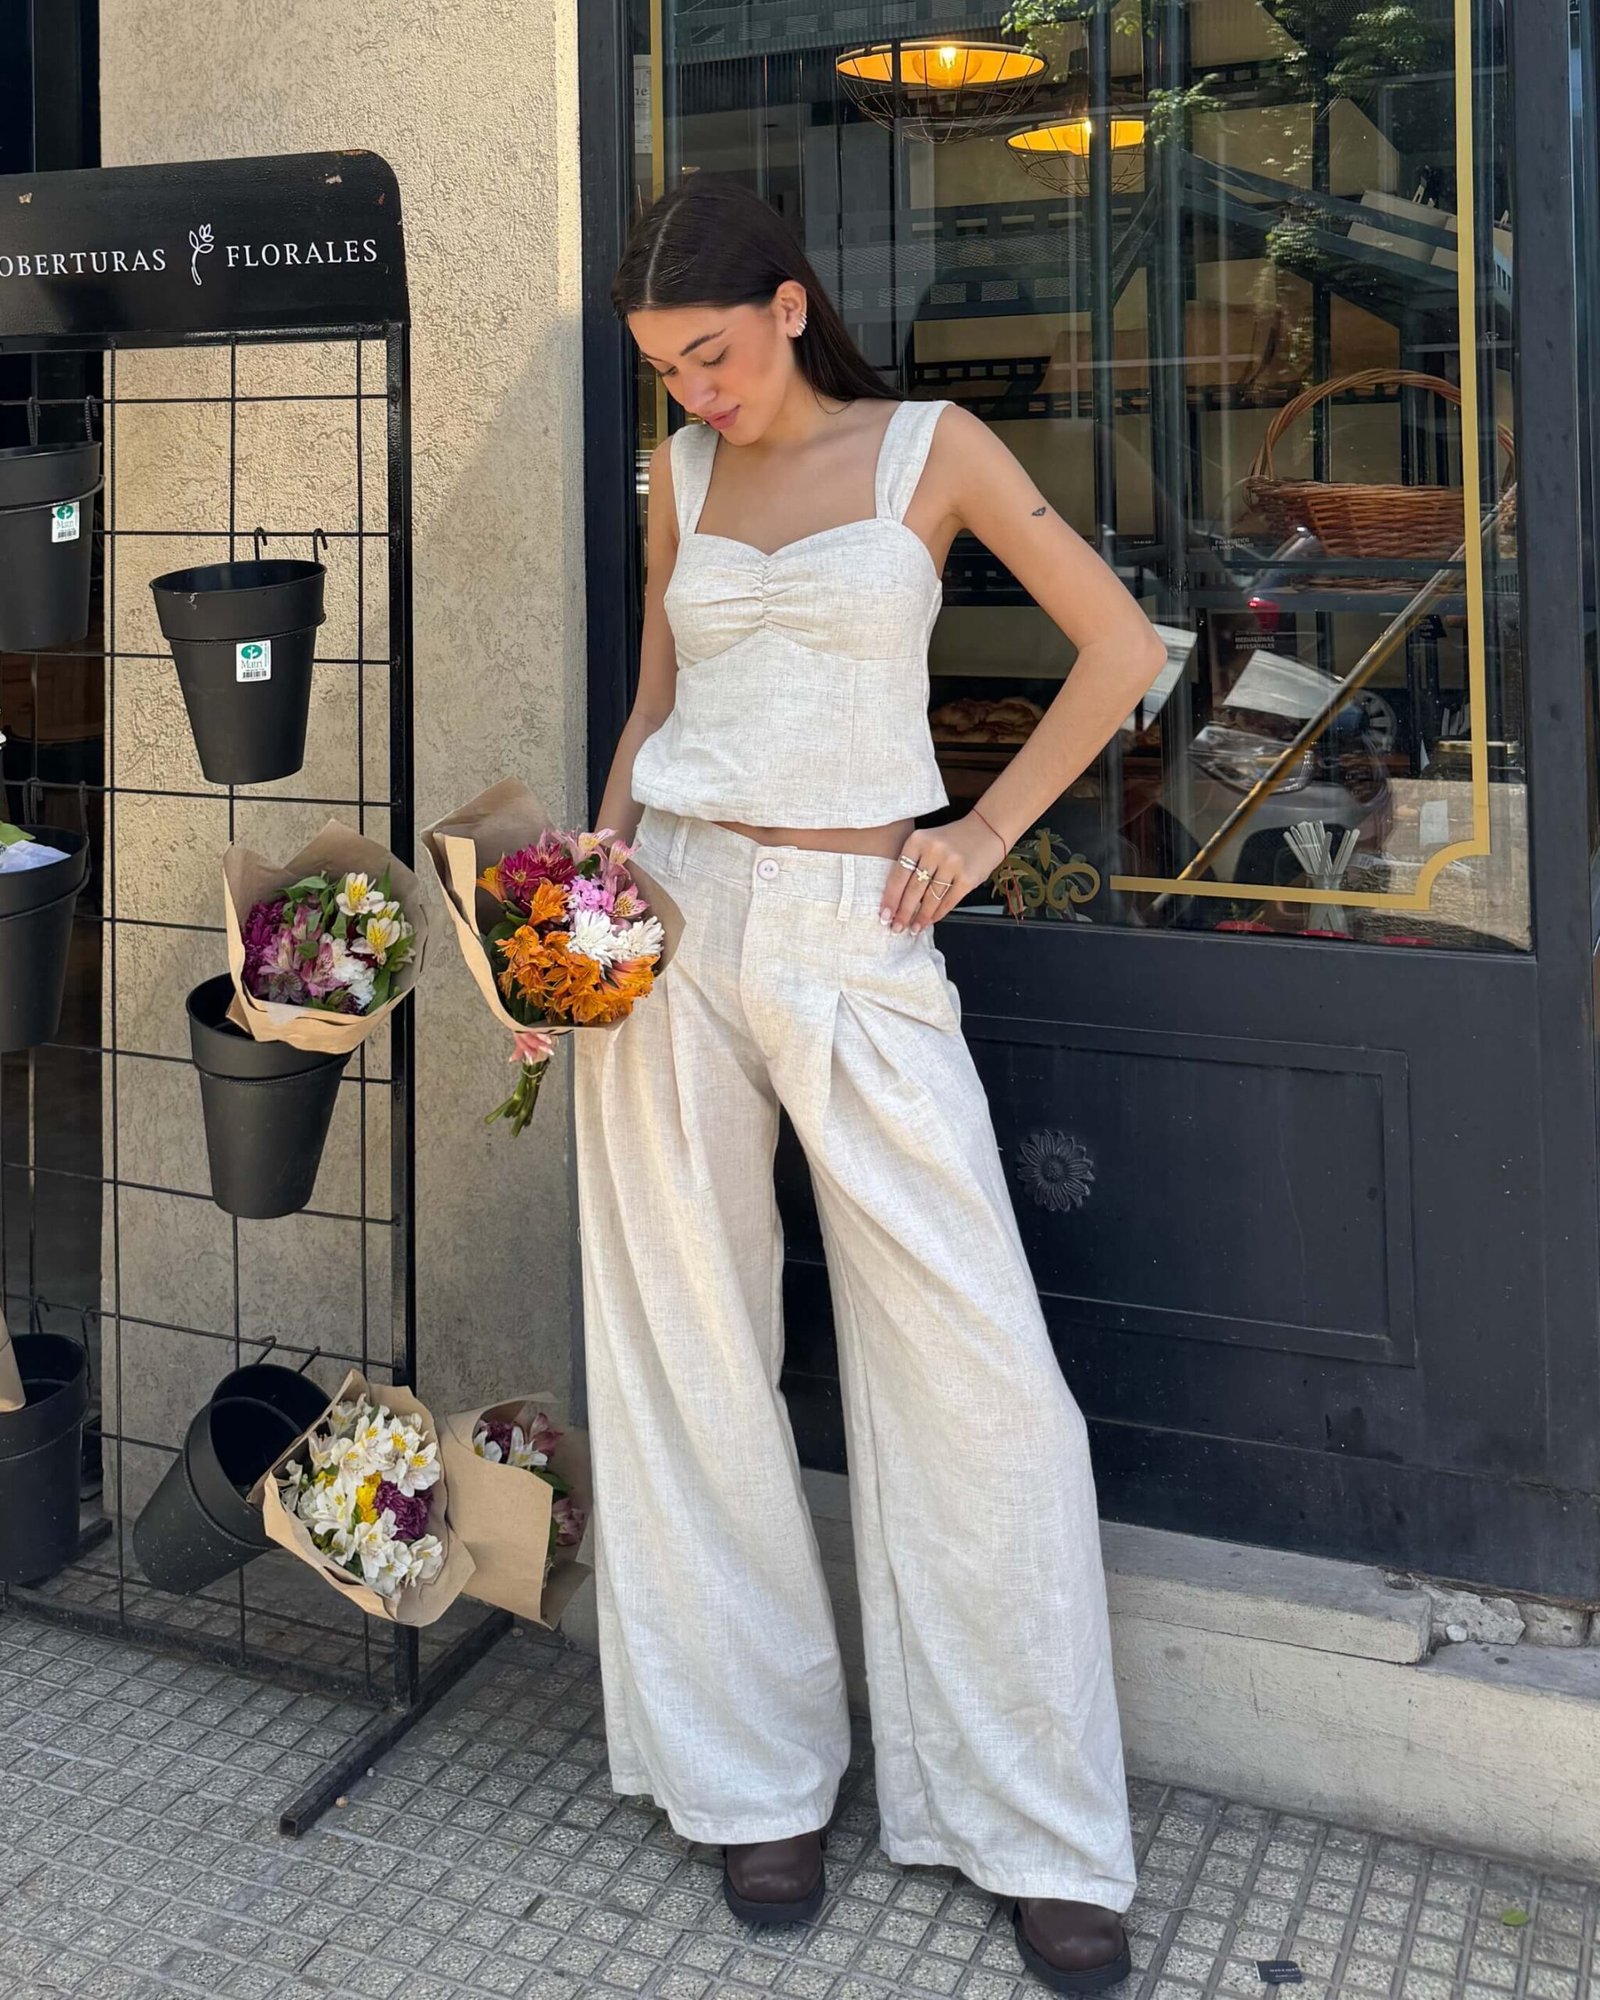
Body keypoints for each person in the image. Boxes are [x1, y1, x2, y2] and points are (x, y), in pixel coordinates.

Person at [577, 174, 1165, 1996]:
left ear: (789, 301)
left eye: (715, 353)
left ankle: (1037, 1823)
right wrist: (582, 910)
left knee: (981, 1380)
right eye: (667, 370)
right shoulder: (679, 477)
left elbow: (1125, 650)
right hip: (675, 918)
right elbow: (656, 702)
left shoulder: (933, 447)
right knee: (688, 1345)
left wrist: (979, 834)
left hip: (860, 926)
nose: (698, 393)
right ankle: (752, 1775)